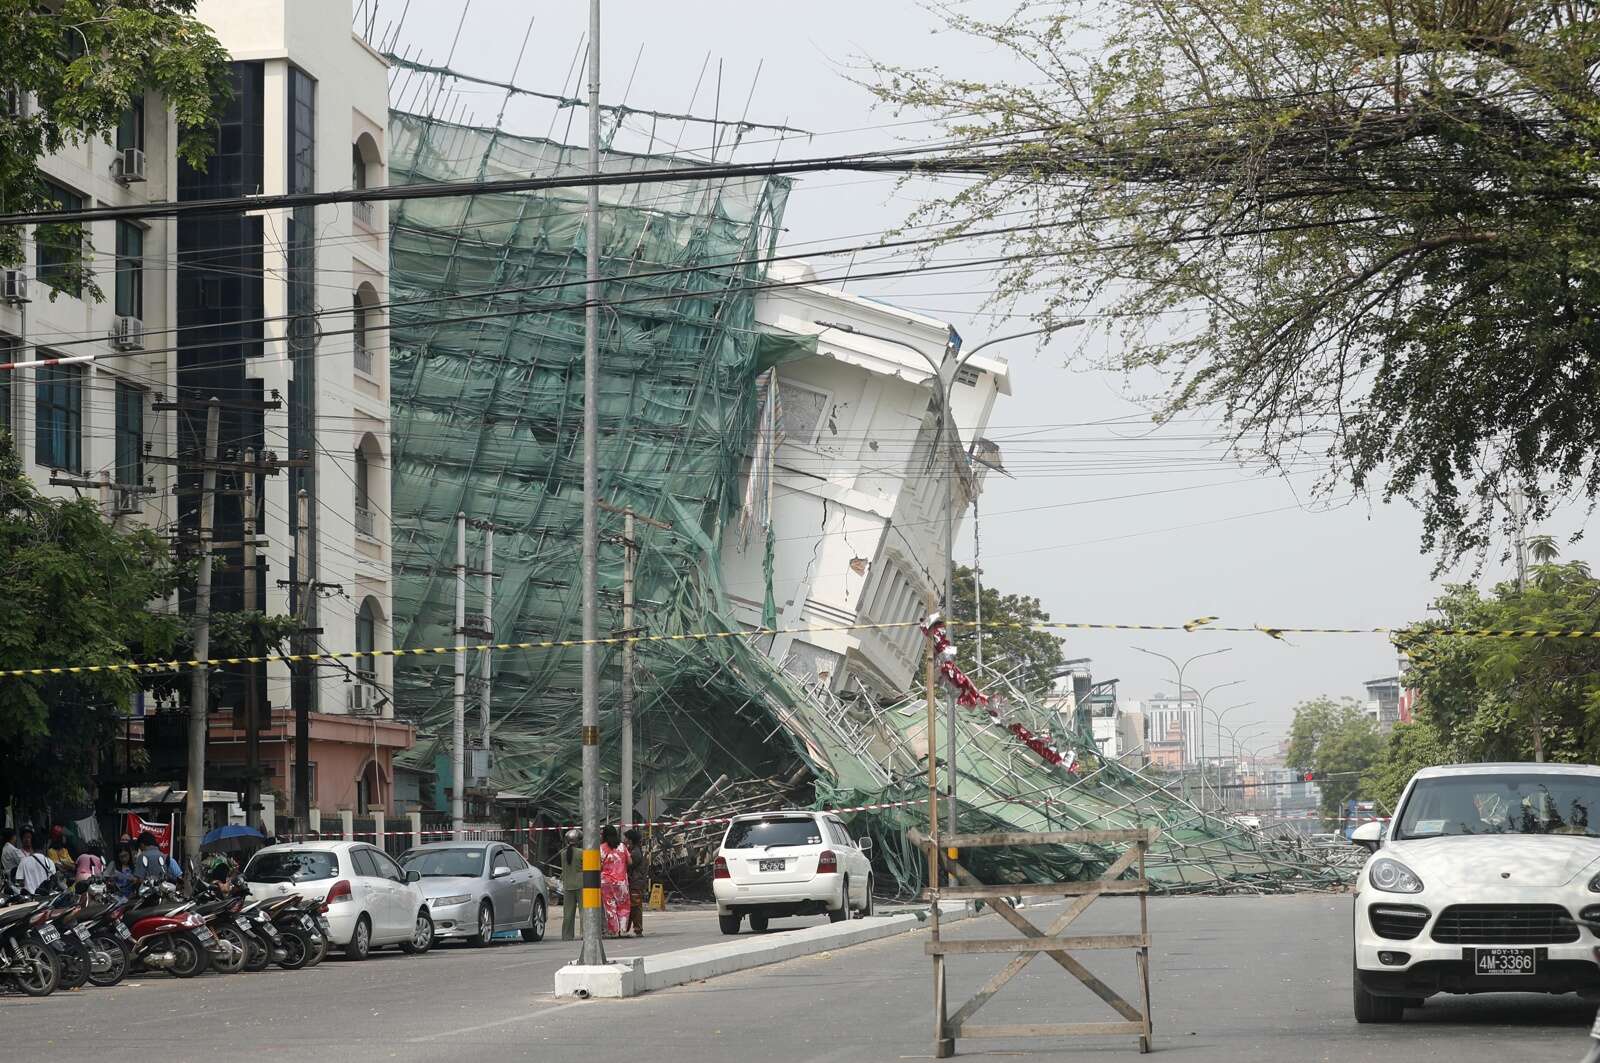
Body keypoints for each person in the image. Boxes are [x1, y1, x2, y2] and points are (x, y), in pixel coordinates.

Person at [599, 825, 630, 938]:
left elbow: (598, 865)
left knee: (610, 907)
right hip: (621, 882)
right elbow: (630, 861)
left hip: (606, 882)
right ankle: (623, 930)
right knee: (623, 906)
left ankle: (614, 931)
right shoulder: (622, 846)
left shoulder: (601, 848)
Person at [12, 828, 55, 895]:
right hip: (45, 899)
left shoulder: (23, 862)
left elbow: (19, 883)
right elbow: (52, 883)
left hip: (30, 900)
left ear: (31, 844)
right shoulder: (49, 862)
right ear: (44, 846)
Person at [623, 828, 648, 937]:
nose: (624, 840)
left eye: (626, 838)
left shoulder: (635, 852)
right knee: (632, 906)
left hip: (635, 882)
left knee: (635, 906)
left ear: (631, 840)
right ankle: (628, 928)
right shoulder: (633, 850)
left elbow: (629, 865)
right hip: (634, 882)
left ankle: (638, 929)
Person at [559, 828, 582, 942]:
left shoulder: (563, 854)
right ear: (578, 841)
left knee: (568, 913)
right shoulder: (582, 853)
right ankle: (585, 934)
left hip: (567, 885)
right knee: (584, 911)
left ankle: (567, 936)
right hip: (581, 885)